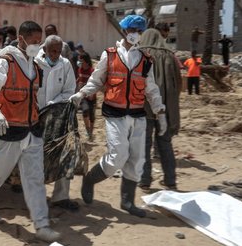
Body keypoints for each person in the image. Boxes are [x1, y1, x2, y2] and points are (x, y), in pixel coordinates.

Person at [69, 15, 167, 218]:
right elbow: (96, 81)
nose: (136, 35)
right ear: (124, 31)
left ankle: (127, 201)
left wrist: (160, 111)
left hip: (138, 114)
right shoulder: (110, 55)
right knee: (117, 157)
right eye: (133, 30)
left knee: (137, 159)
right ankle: (90, 179)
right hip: (115, 114)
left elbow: (151, 88)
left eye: (139, 31)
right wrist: (82, 93)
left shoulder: (146, 59)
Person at [0, 20, 60, 242]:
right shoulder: (6, 60)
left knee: (35, 178)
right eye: (34, 41)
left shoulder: (34, 65)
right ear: (22, 39)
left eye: (39, 41)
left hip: (32, 130)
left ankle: (41, 225)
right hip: (10, 129)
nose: (38, 45)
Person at [35, 35, 77, 211]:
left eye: (59, 51)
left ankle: (60, 196)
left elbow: (70, 90)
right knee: (33, 155)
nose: (55, 55)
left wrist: (54, 104)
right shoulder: (33, 63)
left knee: (64, 152)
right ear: (44, 49)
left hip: (58, 116)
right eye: (52, 51)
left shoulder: (65, 64)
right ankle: (30, 192)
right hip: (34, 116)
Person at [139, 28, 182, 191]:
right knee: (165, 144)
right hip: (165, 110)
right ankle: (170, 181)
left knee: (144, 144)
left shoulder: (140, 54)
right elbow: (178, 83)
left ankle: (144, 180)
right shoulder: (170, 56)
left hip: (144, 108)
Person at [77, 52, 96, 142]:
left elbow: (95, 84)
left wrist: (92, 94)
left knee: (92, 116)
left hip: (91, 96)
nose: (79, 62)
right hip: (83, 96)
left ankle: (91, 132)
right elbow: (79, 79)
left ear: (86, 61)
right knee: (85, 111)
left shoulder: (92, 71)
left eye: (81, 60)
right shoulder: (80, 69)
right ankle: (88, 130)